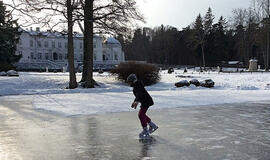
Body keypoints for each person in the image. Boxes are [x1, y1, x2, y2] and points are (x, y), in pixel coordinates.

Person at [127, 73, 158, 138]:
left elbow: (140, 94)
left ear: (132, 81)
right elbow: (138, 95)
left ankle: (145, 130)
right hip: (145, 101)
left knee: (141, 115)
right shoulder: (137, 85)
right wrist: (134, 101)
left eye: (129, 82)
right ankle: (152, 125)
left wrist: (137, 101)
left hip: (146, 101)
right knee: (142, 114)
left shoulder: (138, 85)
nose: (129, 83)